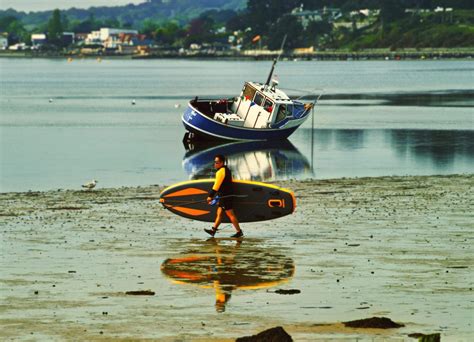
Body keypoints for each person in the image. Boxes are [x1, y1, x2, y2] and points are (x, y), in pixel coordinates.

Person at [205, 154, 243, 238]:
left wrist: (210, 196)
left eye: (217, 162)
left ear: (222, 162)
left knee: (231, 215)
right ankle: (213, 230)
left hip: (225, 196)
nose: (215, 164)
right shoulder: (227, 170)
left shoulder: (221, 171)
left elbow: (216, 185)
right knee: (219, 213)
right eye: (214, 162)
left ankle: (239, 232)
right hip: (224, 195)